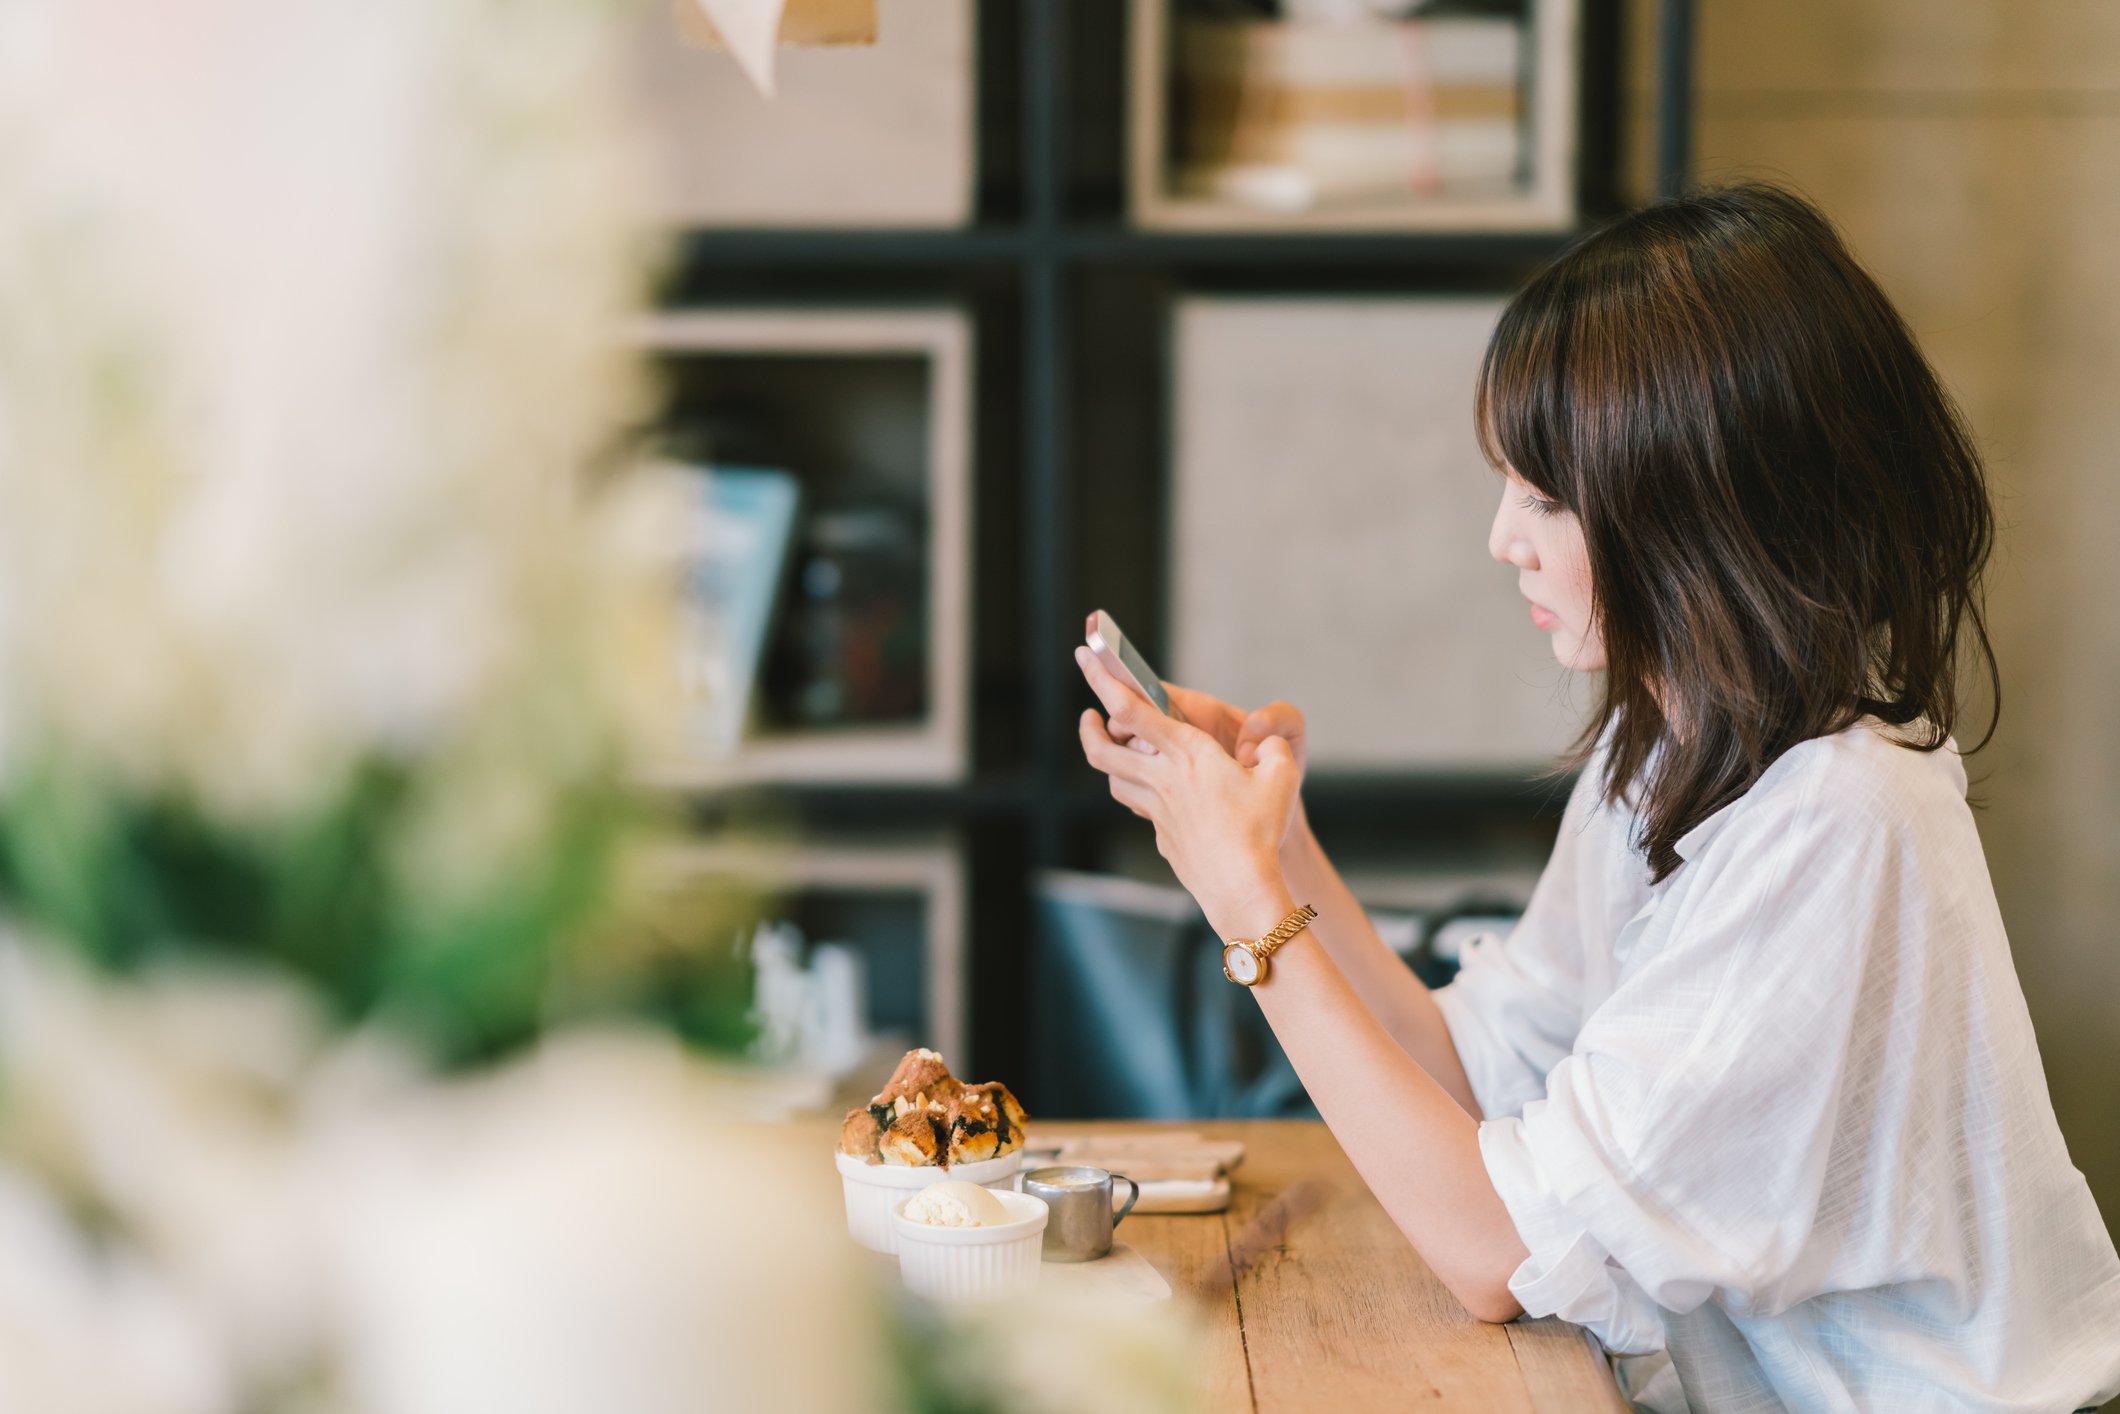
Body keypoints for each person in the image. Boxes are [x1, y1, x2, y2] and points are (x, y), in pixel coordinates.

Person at [1072, 183, 2120, 1413]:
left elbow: (1492, 1252)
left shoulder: (1840, 820)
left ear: (1691, 505)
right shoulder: (1667, 745)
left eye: (1544, 497)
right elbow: (1479, 1077)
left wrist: (1243, 897)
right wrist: (1281, 843)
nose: (1499, 538)